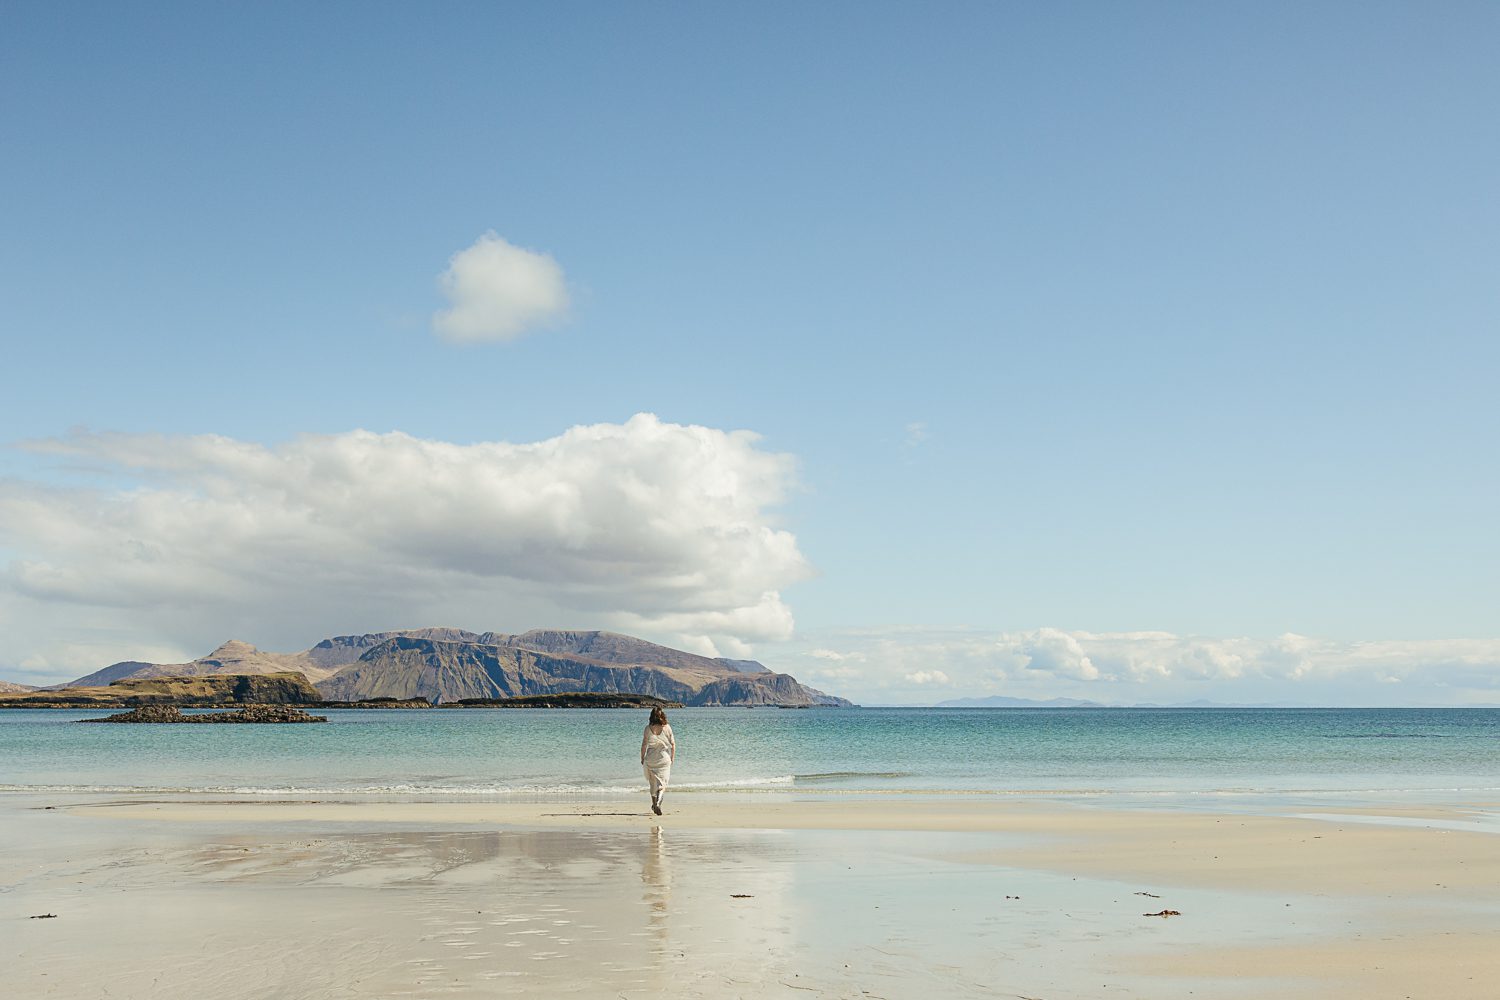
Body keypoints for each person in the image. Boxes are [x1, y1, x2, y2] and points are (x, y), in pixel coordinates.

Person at [639, 706, 676, 816]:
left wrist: (642, 758)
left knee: (652, 783)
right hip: (663, 758)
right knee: (662, 784)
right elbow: (673, 745)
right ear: (662, 715)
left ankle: (654, 804)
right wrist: (672, 758)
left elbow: (644, 745)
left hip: (650, 758)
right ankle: (658, 804)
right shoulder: (667, 727)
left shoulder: (647, 728)